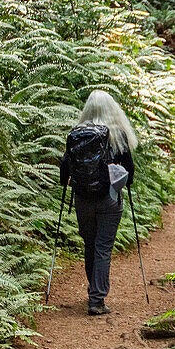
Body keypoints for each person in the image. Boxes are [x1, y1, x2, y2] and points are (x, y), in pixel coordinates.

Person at [59, 90, 137, 316]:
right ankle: (96, 299)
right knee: (103, 247)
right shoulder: (118, 135)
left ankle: (94, 291)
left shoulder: (77, 135)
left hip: (83, 198)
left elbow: (64, 172)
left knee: (90, 245)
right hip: (109, 199)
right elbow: (129, 173)